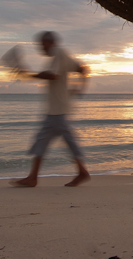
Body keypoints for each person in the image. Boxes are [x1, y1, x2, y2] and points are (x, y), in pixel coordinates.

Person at [12, 31, 90, 187]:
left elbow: (52, 76)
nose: (41, 48)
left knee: (66, 140)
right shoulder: (62, 56)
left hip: (58, 109)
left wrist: (28, 75)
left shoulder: (59, 53)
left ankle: (82, 172)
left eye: (42, 44)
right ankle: (33, 177)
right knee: (44, 141)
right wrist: (80, 88)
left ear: (50, 42)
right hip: (54, 109)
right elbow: (83, 69)